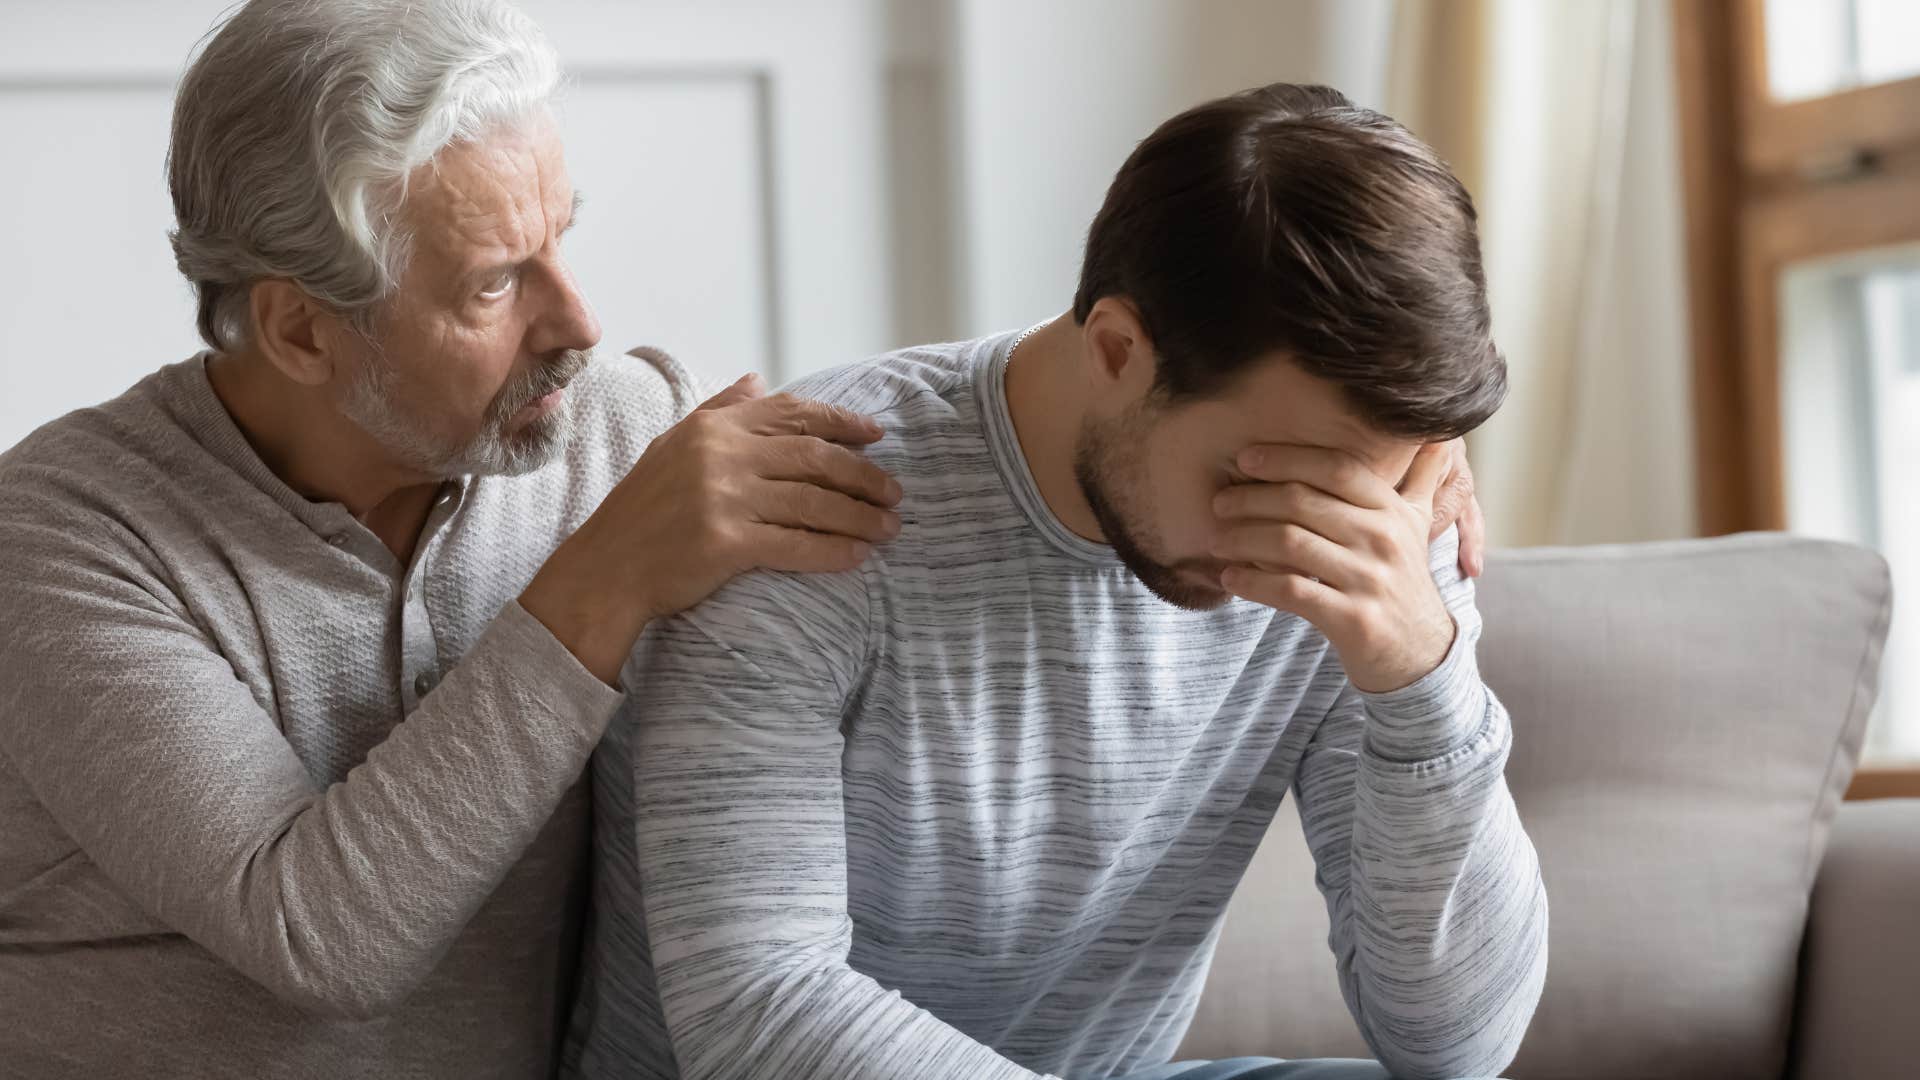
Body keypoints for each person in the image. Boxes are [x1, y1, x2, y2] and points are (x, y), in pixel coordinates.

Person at [568, 84, 1543, 1080]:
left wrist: (1425, 677)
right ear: (1118, 350)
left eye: (1352, 492)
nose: (1291, 546)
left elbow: (1459, 1047)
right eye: (1254, 481)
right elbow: (754, 1015)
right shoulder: (808, 497)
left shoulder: (1371, 536)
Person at [0, 2, 903, 1076]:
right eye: (494, 282)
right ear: (299, 329)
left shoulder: (625, 432)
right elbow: (319, 936)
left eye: (561, 237)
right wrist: (605, 582)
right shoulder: (64, 535)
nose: (578, 324)